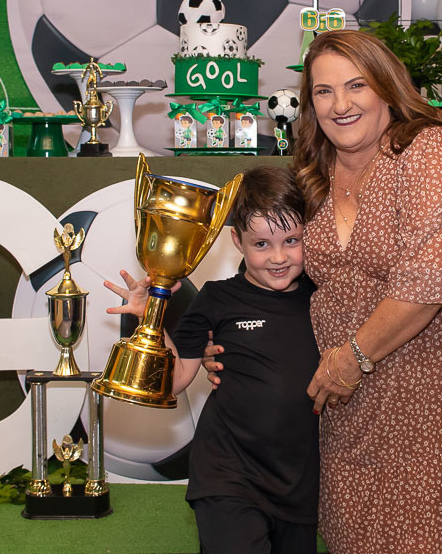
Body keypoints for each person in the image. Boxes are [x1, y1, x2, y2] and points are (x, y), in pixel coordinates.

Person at [293, 29, 442, 553]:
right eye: (323, 91)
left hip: (435, 387)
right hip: (352, 396)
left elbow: (430, 280)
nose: (341, 104)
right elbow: (290, 273)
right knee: (358, 528)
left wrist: (352, 357)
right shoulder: (317, 170)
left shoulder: (429, 152)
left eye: (356, 85)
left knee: (428, 534)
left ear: (386, 87)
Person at [104, 166, 319, 554]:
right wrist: (150, 318)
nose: (279, 257)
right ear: (237, 241)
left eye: (292, 240)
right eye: (262, 244)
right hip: (227, 473)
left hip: (298, 482)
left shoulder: (322, 299)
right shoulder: (216, 300)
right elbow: (176, 379)